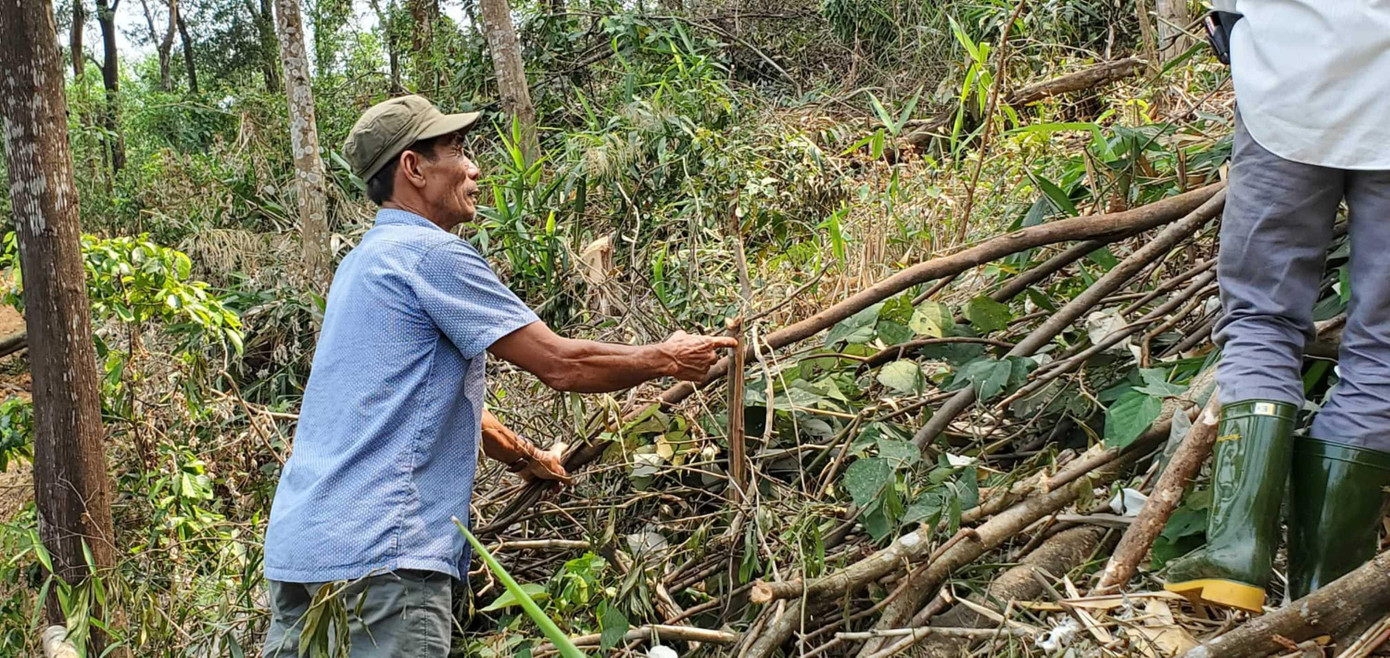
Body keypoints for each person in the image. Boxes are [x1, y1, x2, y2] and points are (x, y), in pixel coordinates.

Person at [260, 95, 738, 656]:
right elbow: (560, 364)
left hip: (300, 553)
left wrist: (524, 457)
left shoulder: (360, 264)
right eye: (457, 151)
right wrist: (667, 357)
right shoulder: (430, 254)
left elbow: (405, 399)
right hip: (383, 556)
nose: (474, 169)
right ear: (414, 168)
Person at [1164, 3, 1390, 613]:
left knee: (1261, 318)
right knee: (1385, 349)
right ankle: (1327, 596)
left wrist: (1230, 22)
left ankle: (1237, 551)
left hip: (1290, 84)